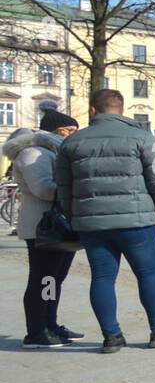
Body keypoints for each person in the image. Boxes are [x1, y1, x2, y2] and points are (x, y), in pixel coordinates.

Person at [53, 88, 155, 353]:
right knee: (148, 274)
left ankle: (112, 337)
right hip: (137, 221)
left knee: (101, 277)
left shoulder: (72, 142)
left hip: (92, 224)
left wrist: (72, 216)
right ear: (122, 110)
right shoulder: (142, 137)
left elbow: (64, 187)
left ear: (93, 110)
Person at [5, 108, 84, 348]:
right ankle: (36, 332)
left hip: (59, 226)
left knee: (54, 279)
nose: (74, 136)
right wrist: (74, 187)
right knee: (43, 280)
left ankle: (51, 324)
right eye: (72, 131)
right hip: (43, 227)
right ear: (60, 131)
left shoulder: (52, 151)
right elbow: (42, 189)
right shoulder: (32, 153)